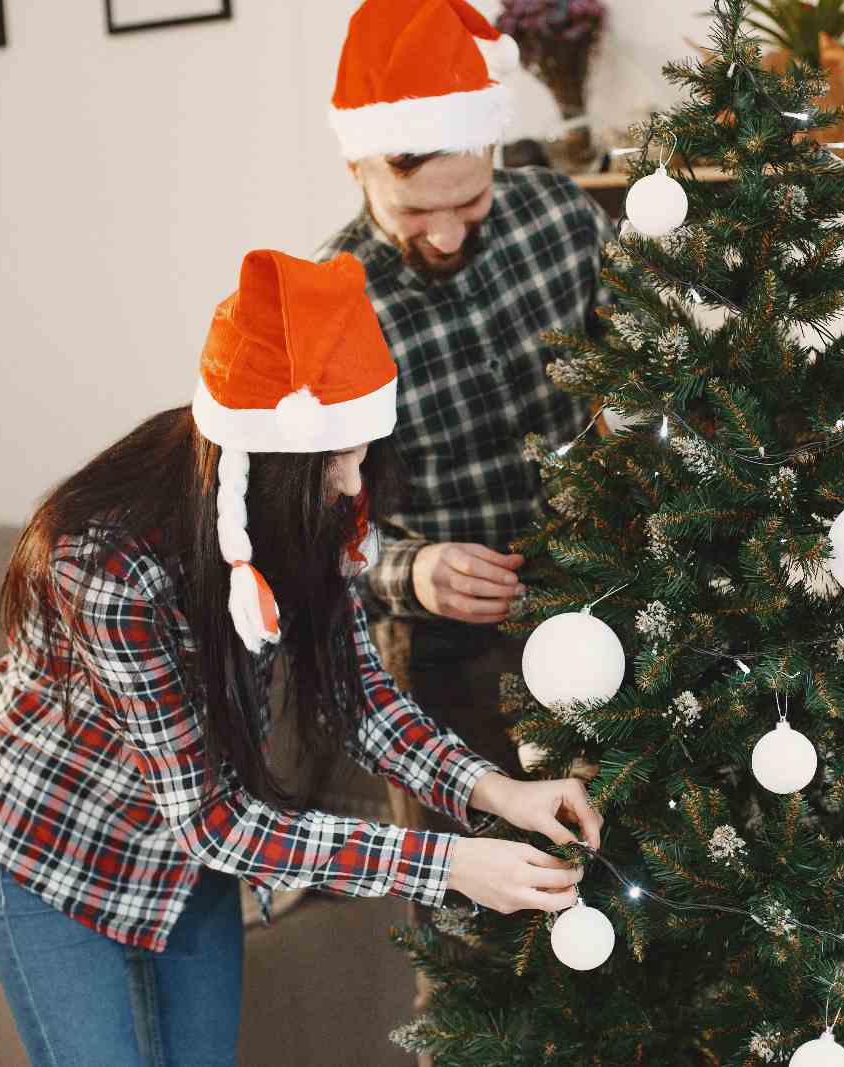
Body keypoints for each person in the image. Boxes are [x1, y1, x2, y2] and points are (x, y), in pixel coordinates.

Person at [0, 248, 602, 1067]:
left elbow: (361, 699)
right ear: (266, 459)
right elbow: (215, 820)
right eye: (338, 457)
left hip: (188, 869)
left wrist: (497, 789)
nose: (353, 480)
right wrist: (449, 863)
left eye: (364, 449)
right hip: (57, 852)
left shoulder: (309, 509)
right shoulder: (109, 562)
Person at [317, 0, 614, 820]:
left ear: (488, 148)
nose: (446, 234)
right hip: (441, 658)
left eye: (470, 201)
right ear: (357, 169)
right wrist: (410, 570)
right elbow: (307, 524)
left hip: (605, 601)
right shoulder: (329, 305)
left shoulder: (561, 216)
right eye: (415, 211)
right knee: (478, 916)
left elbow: (654, 373)